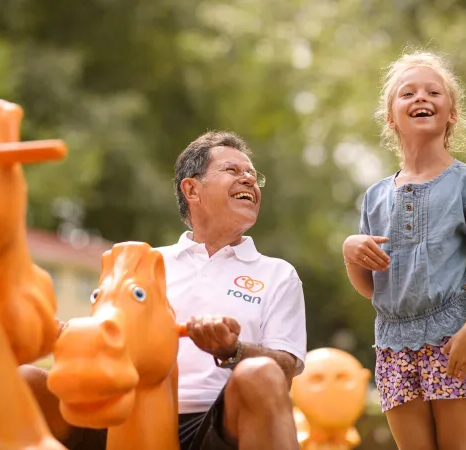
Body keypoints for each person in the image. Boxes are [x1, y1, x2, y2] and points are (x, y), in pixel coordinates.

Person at [21, 131, 307, 450]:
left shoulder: (278, 274)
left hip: (216, 422)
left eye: (253, 175)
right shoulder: (145, 262)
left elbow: (285, 368)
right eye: (232, 171)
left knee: (261, 374)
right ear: (192, 189)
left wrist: (233, 350)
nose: (249, 181)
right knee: (25, 382)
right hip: (125, 413)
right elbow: (106, 335)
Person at [342, 51, 466, 450]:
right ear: (391, 117)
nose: (421, 98)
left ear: (451, 113)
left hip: (452, 337)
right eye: (407, 93)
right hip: (391, 344)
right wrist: (350, 251)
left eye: (433, 92)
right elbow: (374, 287)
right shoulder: (374, 197)